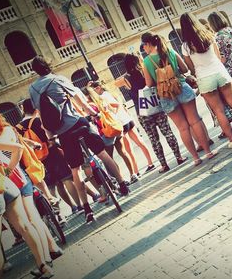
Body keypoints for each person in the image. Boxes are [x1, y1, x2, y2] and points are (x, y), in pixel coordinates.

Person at [28, 56, 130, 223]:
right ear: (48, 66)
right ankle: (122, 183)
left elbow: (41, 113)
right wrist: (92, 112)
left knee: (76, 169)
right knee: (102, 153)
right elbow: (79, 99)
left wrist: (50, 136)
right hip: (77, 122)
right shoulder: (58, 79)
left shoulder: (33, 89)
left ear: (35, 71)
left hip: (62, 133)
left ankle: (87, 209)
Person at [0, 111, 54, 279]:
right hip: (6, 185)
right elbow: (18, 148)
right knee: (25, 226)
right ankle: (43, 266)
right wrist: (7, 170)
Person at [180, 13, 232, 149]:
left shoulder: (185, 46)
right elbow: (217, 56)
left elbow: (190, 67)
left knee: (218, 110)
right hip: (220, 72)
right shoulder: (209, 36)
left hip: (204, 78)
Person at [141, 32, 217, 166]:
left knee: (183, 128)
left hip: (165, 95)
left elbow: (149, 83)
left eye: (143, 46)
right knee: (195, 120)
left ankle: (195, 158)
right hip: (182, 87)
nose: (144, 49)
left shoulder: (146, 62)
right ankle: (208, 152)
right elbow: (184, 68)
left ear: (147, 44)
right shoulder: (170, 51)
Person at [123, 53, 188, 173]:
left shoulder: (126, 78)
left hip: (142, 112)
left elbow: (128, 88)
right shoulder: (144, 71)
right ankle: (179, 157)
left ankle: (164, 165)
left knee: (154, 139)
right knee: (167, 132)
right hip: (157, 106)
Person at [19, 99, 82, 214]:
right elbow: (51, 138)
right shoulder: (38, 121)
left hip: (36, 159)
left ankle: (70, 208)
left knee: (56, 184)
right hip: (53, 153)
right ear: (35, 108)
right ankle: (79, 205)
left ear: (23, 109)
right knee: (67, 179)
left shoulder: (18, 127)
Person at [87, 80, 155, 181]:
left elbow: (116, 105)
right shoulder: (109, 93)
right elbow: (120, 104)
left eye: (95, 89)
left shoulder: (103, 96)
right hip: (127, 119)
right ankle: (150, 163)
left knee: (128, 150)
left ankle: (135, 172)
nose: (94, 91)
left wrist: (115, 115)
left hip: (121, 123)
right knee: (139, 143)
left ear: (98, 88)